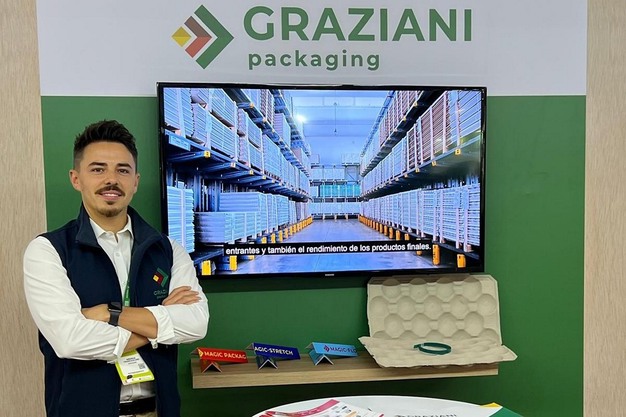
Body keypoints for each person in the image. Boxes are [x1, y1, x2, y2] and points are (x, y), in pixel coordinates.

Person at [23, 120, 209, 417]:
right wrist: (161, 325)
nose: (111, 180)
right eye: (98, 169)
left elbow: (196, 323)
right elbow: (70, 340)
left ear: (135, 181)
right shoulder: (48, 251)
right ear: (76, 179)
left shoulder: (168, 249)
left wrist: (110, 314)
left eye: (122, 170)